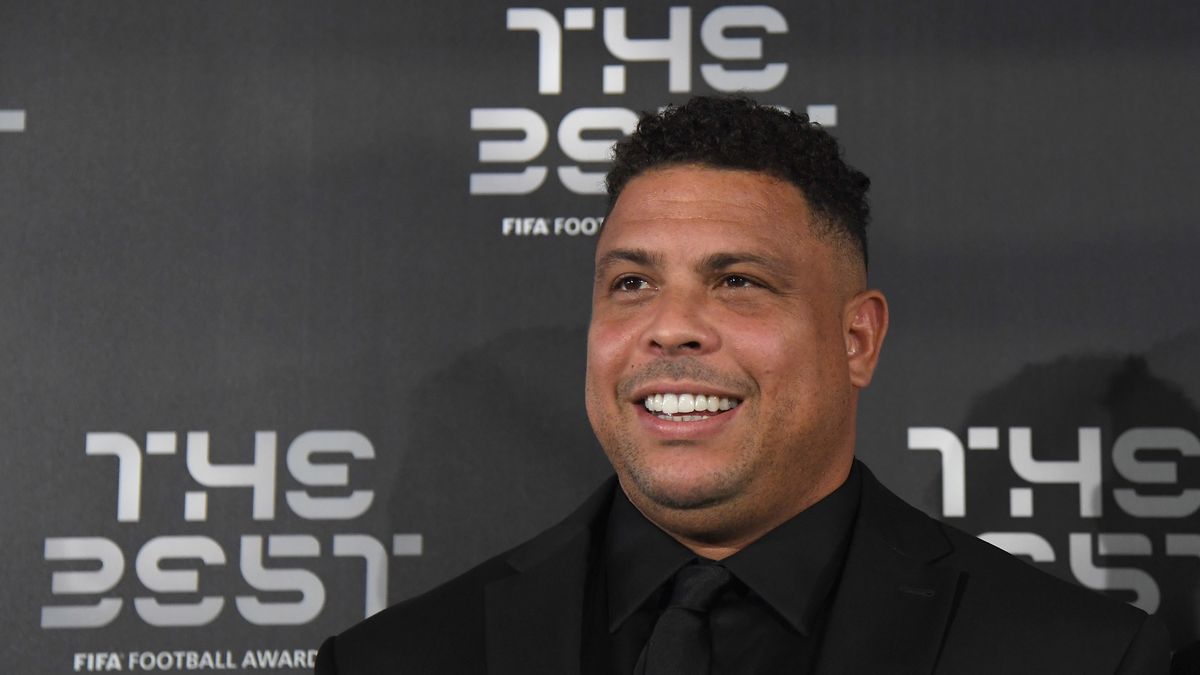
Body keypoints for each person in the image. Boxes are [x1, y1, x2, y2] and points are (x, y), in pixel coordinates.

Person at [315, 96, 1170, 674]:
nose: (670, 326)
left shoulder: (1080, 656)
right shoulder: (396, 659)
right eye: (632, 283)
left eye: (738, 282)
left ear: (858, 338)